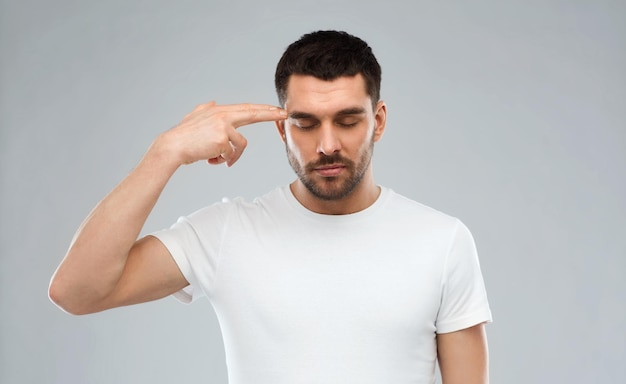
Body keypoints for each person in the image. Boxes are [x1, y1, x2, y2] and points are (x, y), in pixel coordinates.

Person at [50, 30, 492, 383]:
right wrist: (165, 152)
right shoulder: (228, 233)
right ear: (282, 131)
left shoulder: (442, 241)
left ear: (377, 121)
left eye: (347, 120)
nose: (327, 145)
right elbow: (77, 291)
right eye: (304, 123)